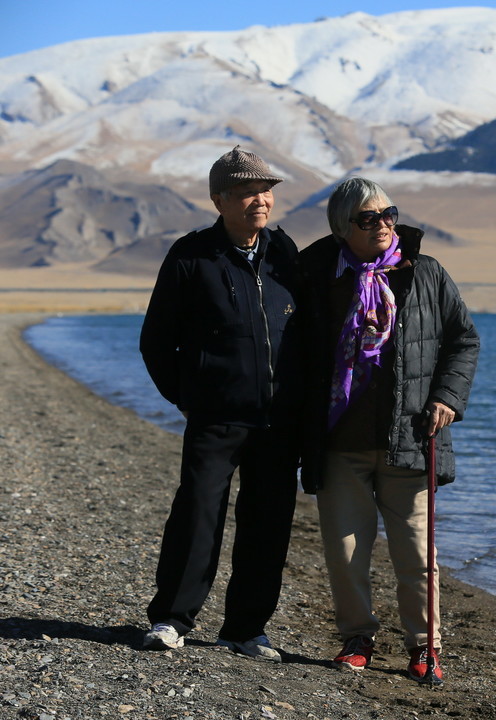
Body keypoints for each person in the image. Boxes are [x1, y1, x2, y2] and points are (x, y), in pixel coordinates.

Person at [297, 177, 479, 683]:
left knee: (418, 554)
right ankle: (357, 638)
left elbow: (463, 341)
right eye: (367, 218)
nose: (382, 224)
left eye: (388, 213)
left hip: (411, 438)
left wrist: (447, 397)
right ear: (342, 228)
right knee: (346, 550)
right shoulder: (316, 275)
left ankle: (425, 648)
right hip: (338, 442)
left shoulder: (425, 273)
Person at [139, 146, 302, 662]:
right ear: (220, 199)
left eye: (267, 190)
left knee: (268, 520)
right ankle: (172, 618)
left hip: (277, 420)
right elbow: (156, 340)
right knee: (198, 512)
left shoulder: (284, 253)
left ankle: (246, 628)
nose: (262, 200)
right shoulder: (192, 256)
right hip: (215, 415)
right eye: (250, 192)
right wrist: (190, 398)